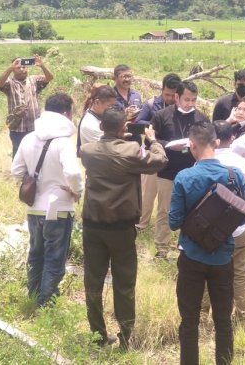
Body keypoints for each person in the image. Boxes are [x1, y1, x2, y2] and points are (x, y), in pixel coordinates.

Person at [79, 107, 168, 348]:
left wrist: (120, 139)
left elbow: (106, 151)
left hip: (93, 224)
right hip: (121, 227)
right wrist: (153, 141)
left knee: (93, 282)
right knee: (124, 283)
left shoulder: (87, 150)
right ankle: (126, 337)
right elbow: (159, 161)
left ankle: (98, 334)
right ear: (124, 128)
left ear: (100, 127)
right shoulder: (131, 150)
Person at [169, 121, 245, 365]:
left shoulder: (184, 177)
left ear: (192, 145)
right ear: (216, 142)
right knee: (223, 322)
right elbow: (240, 215)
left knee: (189, 321)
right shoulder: (236, 177)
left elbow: (173, 222)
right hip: (223, 258)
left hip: (191, 257)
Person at [11, 93, 84, 308]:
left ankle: (34, 297)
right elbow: (73, 172)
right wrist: (77, 190)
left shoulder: (29, 138)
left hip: (34, 208)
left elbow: (16, 171)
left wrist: (35, 180)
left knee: (36, 255)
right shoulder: (63, 142)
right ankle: (46, 304)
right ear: (67, 113)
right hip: (59, 208)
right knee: (54, 259)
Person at [150, 80, 209, 259]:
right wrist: (167, 145)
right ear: (176, 97)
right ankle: (162, 248)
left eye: (193, 100)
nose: (190, 104)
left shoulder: (202, 118)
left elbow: (207, 144)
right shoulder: (161, 115)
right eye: (186, 99)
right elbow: (150, 140)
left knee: (193, 211)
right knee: (164, 210)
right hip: (167, 170)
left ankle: (187, 247)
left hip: (193, 172)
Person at [212, 120, 245, 328]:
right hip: (238, 226)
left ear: (212, 139)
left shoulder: (203, 162)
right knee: (239, 271)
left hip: (209, 229)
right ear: (232, 139)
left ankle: (204, 315)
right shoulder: (243, 163)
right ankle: (242, 315)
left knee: (207, 269)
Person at [135, 73, 181, 232]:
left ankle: (164, 227)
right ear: (162, 90)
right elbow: (139, 121)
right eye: (166, 94)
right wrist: (156, 123)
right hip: (152, 154)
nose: (169, 98)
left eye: (173, 95)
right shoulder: (151, 104)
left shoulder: (182, 109)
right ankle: (141, 224)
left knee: (167, 197)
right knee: (147, 192)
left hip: (173, 157)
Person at [0, 55, 54, 157]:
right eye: (18, 67)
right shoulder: (10, 83)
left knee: (35, 155)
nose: (22, 69)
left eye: (24, 67)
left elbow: (50, 77)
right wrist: (10, 68)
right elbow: (0, 82)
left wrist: (42, 66)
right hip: (17, 129)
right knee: (19, 155)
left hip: (34, 127)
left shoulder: (34, 80)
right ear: (13, 70)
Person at [77, 85, 117, 155]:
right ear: (97, 102)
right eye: (110, 106)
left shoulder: (100, 115)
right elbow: (110, 148)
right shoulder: (90, 124)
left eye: (114, 106)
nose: (113, 109)